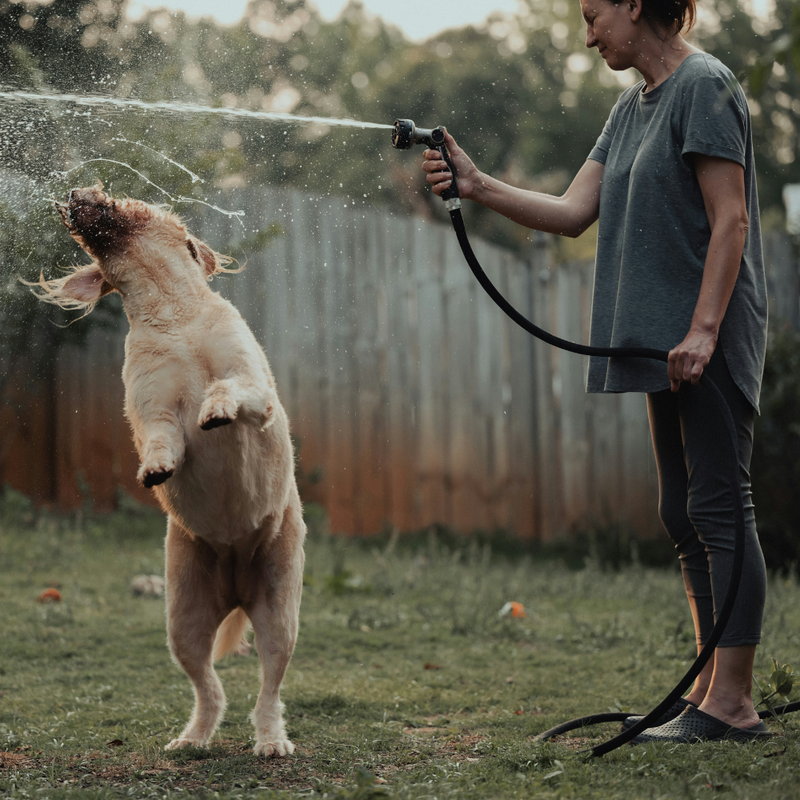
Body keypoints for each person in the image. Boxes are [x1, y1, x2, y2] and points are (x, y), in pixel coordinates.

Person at [422, 0, 770, 744]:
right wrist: (476, 184)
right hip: (660, 346)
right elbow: (575, 210)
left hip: (704, 338)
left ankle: (734, 703)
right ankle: (707, 690)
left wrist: (704, 328)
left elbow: (731, 217)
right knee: (683, 514)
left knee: (718, 507)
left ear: (636, 5)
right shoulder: (631, 109)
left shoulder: (705, 85)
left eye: (592, 14)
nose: (586, 34)